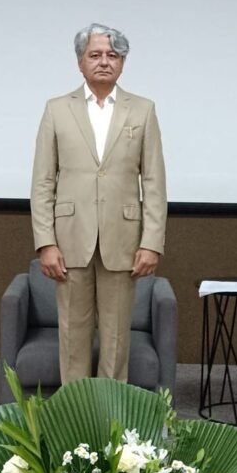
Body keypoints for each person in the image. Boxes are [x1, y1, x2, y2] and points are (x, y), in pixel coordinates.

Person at [30, 23, 167, 384]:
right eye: (95, 55)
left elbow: (154, 182)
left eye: (112, 55)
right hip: (69, 240)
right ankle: (75, 414)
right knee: (72, 337)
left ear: (122, 62)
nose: (104, 61)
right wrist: (46, 243)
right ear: (80, 62)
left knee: (117, 337)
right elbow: (42, 182)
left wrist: (151, 242)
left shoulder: (143, 110)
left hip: (123, 240)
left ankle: (110, 414)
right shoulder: (57, 109)